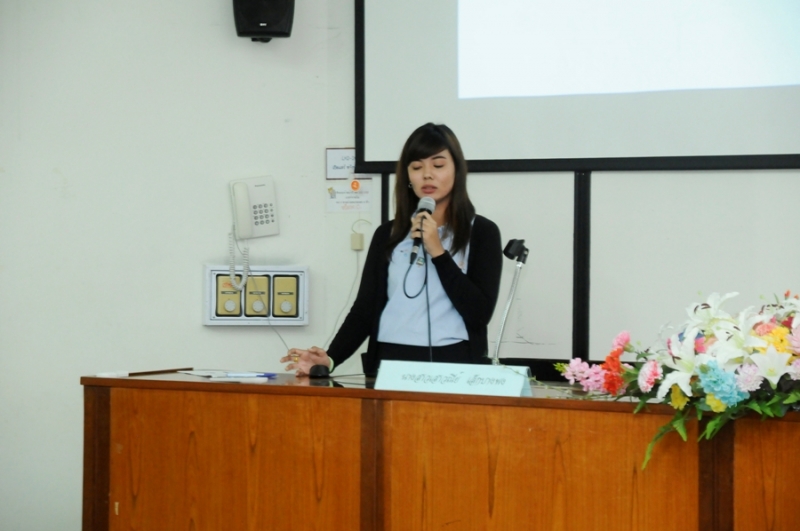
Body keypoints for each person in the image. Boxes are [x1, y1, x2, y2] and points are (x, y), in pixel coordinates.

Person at [281, 123, 503, 376]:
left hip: (455, 362)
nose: (427, 175)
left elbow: (479, 314)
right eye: (416, 167)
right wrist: (330, 359)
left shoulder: (482, 232)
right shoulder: (388, 234)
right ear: (407, 177)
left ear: (457, 171)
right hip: (389, 361)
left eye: (438, 165)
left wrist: (438, 253)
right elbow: (364, 310)